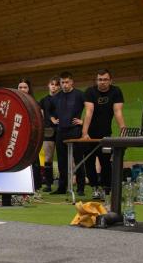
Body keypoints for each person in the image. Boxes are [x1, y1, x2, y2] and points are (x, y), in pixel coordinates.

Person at [81, 69, 126, 200]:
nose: (102, 82)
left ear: (110, 81)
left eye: (105, 79)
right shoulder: (90, 91)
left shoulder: (116, 91)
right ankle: (95, 188)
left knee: (105, 162)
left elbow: (118, 111)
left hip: (105, 134)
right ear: (96, 81)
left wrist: (123, 129)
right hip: (90, 135)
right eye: (100, 80)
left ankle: (107, 189)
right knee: (89, 162)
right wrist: (85, 133)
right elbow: (89, 111)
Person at [50, 71, 86, 196]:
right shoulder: (56, 97)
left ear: (72, 82)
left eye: (67, 82)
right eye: (62, 82)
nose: (64, 85)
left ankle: (80, 188)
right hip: (61, 131)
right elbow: (49, 111)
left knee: (78, 159)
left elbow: (91, 109)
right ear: (60, 83)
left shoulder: (80, 94)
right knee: (61, 161)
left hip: (75, 131)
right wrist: (52, 119)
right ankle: (62, 187)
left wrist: (83, 121)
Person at [17, 78, 41, 190]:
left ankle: (35, 187)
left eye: (25, 87)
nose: (22, 89)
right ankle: (20, 186)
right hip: (17, 137)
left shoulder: (35, 104)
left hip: (32, 138)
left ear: (29, 89)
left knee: (33, 160)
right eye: (20, 87)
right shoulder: (14, 102)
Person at [38, 77, 61, 192]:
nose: (54, 87)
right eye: (52, 84)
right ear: (48, 85)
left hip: (61, 130)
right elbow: (41, 116)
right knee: (48, 158)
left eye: (56, 85)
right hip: (48, 130)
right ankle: (48, 184)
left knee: (63, 158)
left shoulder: (63, 98)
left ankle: (63, 184)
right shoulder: (43, 100)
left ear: (59, 87)